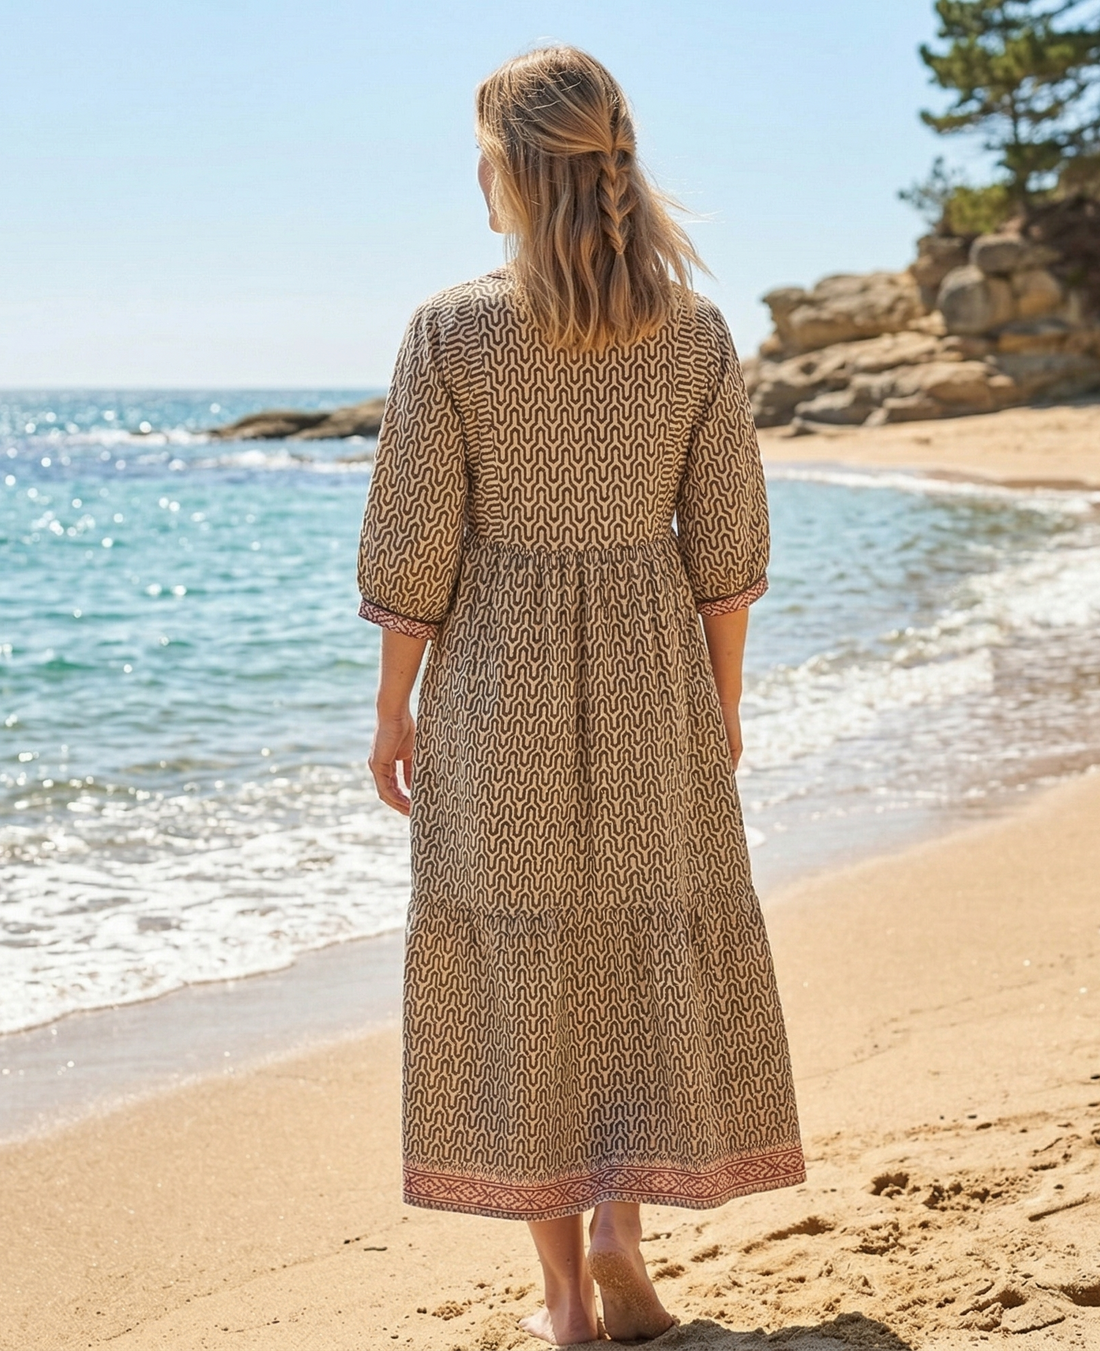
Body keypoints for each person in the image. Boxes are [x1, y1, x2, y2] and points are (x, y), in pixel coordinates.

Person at [358, 45, 803, 1347]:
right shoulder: (698, 333)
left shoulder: (450, 331)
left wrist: (393, 713)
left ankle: (562, 1293)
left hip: (499, 684)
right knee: (639, 942)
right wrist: (721, 707)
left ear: (506, 167)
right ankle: (625, 1235)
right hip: (658, 677)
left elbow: (412, 553)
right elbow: (728, 558)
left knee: (524, 963)